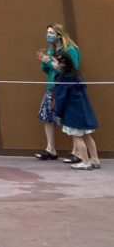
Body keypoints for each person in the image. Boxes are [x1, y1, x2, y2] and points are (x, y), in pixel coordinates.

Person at [35, 23, 81, 161]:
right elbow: (47, 70)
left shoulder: (71, 49)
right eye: (47, 32)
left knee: (69, 117)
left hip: (65, 87)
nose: (48, 35)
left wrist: (50, 63)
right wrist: (45, 61)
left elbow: (71, 69)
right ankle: (51, 149)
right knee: (47, 117)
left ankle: (77, 152)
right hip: (51, 87)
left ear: (60, 35)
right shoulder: (51, 49)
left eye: (51, 32)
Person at [51, 49, 100, 171]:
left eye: (54, 61)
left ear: (62, 64)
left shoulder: (63, 79)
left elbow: (61, 98)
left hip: (72, 112)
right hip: (84, 110)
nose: (53, 63)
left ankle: (85, 162)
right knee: (87, 136)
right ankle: (95, 160)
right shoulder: (77, 74)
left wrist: (58, 112)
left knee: (77, 137)